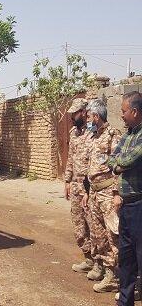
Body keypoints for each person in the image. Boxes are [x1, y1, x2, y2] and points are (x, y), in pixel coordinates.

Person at [103, 92, 142, 306]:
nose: (122, 116)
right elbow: (112, 158)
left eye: (124, 112)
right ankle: (125, 303)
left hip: (140, 203)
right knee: (126, 257)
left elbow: (128, 161)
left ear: (135, 112)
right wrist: (117, 163)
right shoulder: (128, 135)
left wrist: (117, 164)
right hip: (127, 205)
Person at [82, 99, 122, 293]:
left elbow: (118, 168)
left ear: (96, 117)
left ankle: (118, 276)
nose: (87, 120)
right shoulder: (94, 136)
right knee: (98, 236)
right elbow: (91, 168)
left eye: (89, 116)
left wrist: (116, 193)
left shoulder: (112, 135)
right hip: (95, 193)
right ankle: (106, 271)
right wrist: (87, 193)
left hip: (107, 194)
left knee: (113, 236)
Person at [64, 98, 93, 273]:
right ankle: (88, 259)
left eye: (75, 113)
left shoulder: (94, 133)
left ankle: (101, 264)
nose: (72, 117)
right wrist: (67, 180)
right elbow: (70, 158)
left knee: (94, 226)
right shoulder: (73, 133)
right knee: (79, 225)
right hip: (75, 186)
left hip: (90, 187)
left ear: (83, 112)